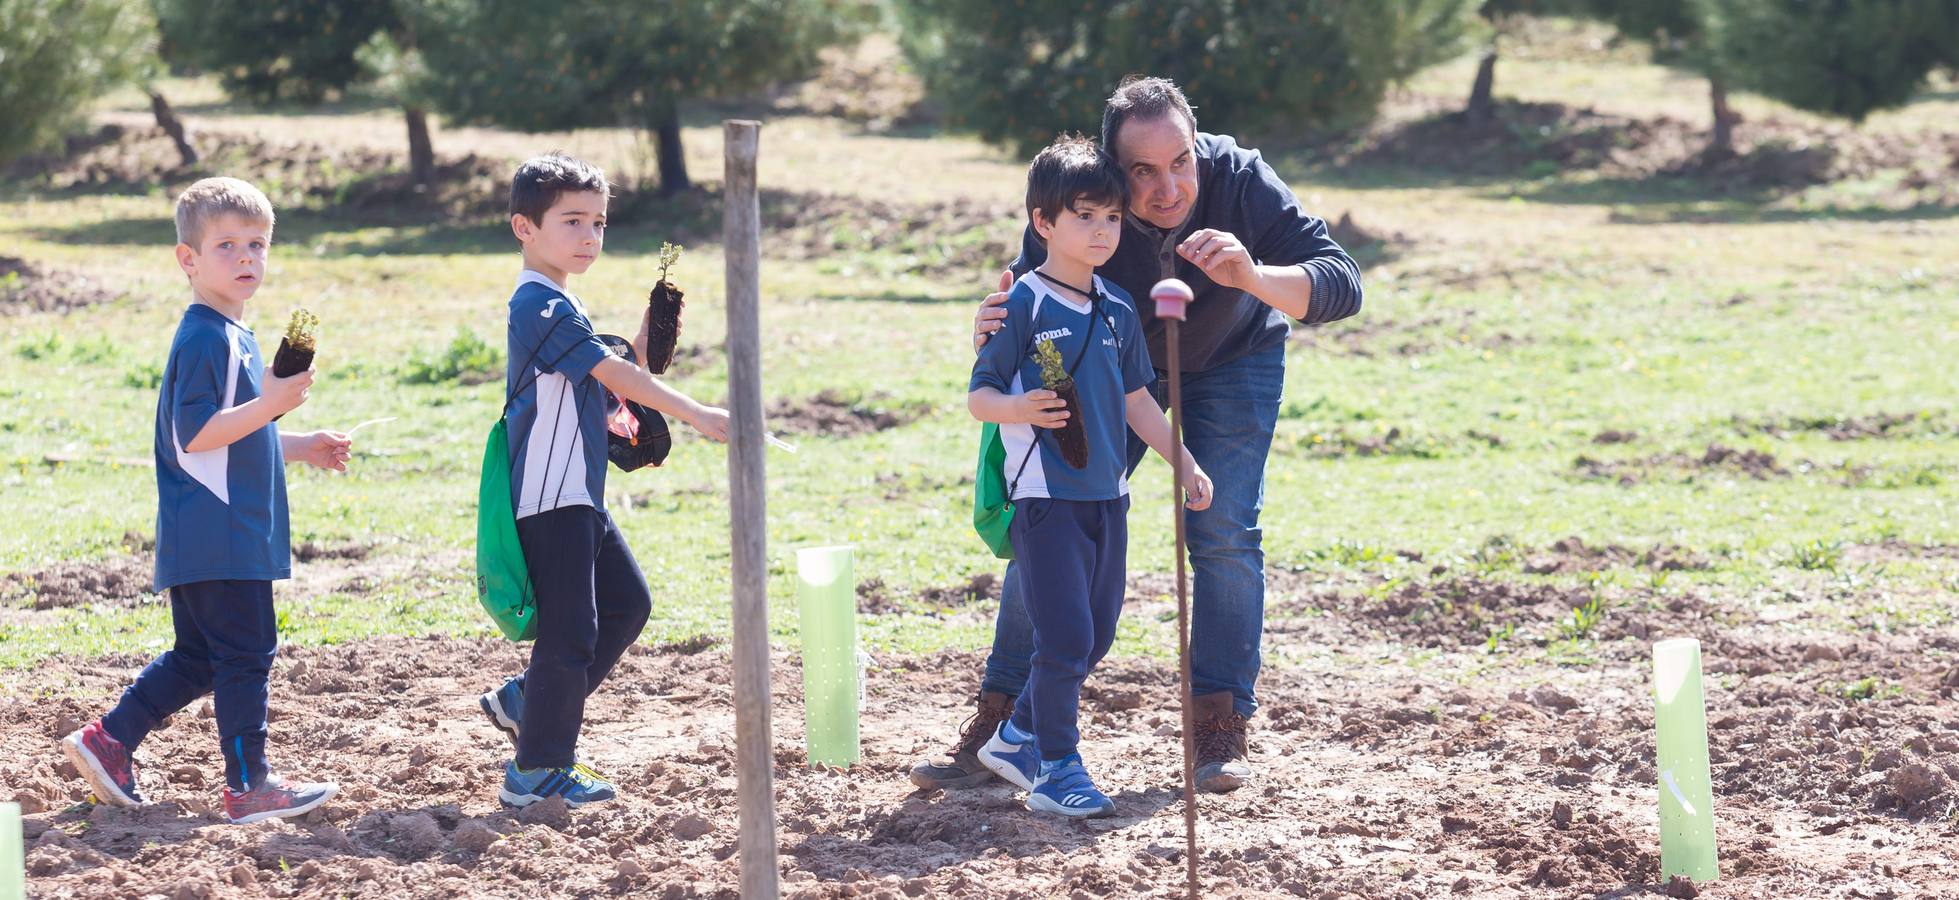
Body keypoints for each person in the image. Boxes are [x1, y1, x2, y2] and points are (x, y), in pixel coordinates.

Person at [914, 76, 1363, 794]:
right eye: (1143, 172)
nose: (1167, 188)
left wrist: (1252, 277)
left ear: (1197, 145)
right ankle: (1003, 724)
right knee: (1048, 519)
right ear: (1109, 167)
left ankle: (1218, 724)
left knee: (1222, 529)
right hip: (1102, 369)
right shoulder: (1085, 195)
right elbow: (1028, 297)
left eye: (1180, 161)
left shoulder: (1242, 178)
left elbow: (1341, 283)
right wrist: (996, 335)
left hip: (1233, 358)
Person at [60, 176, 354, 824]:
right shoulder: (206, 338)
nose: (246, 257)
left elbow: (234, 435)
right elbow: (195, 436)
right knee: (247, 654)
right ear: (187, 260)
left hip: (208, 534)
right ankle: (249, 784)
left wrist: (297, 441)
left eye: (256, 244)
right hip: (222, 535)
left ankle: (108, 742)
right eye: (226, 245)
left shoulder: (232, 335)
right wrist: (274, 402)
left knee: (201, 657)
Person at [965, 135, 1213, 817]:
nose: (1101, 232)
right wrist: (1018, 407)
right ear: (1042, 223)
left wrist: (1183, 462)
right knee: (1066, 638)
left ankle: (1017, 737)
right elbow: (978, 397)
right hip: (1045, 501)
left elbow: (1138, 400)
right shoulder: (1021, 306)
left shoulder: (1117, 307)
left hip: (1109, 496)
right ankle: (1055, 769)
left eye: (1110, 218)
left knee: (1096, 635)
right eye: (1083, 217)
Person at [473, 154, 730, 808]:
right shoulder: (537, 303)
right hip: (548, 496)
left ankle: (525, 701)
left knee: (626, 604)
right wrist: (696, 412)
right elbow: (611, 376)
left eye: (599, 223)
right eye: (572, 222)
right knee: (570, 633)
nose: (590, 237)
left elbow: (613, 368)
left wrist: (644, 346)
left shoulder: (562, 303)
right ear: (523, 229)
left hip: (578, 495)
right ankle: (536, 772)